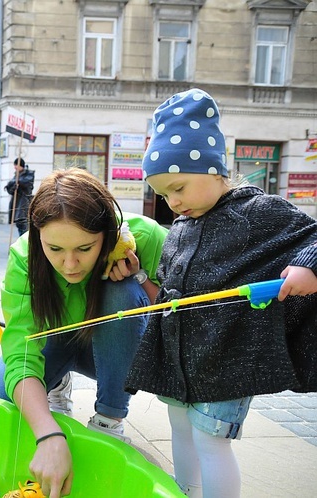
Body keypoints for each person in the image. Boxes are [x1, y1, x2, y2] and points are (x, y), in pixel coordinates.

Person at [125, 88, 317, 498]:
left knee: (212, 440)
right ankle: (185, 491)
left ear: (213, 170)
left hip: (226, 359)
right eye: (163, 195)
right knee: (179, 427)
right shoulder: (180, 228)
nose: (173, 202)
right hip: (179, 362)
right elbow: (168, 295)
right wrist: (141, 277)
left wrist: (308, 265)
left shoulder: (258, 212)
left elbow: (314, 237)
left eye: (179, 187)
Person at [0, 167, 168, 497]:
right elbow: (20, 353)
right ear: (37, 236)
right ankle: (56, 383)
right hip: (59, 339)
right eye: (55, 249)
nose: (69, 265)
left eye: (84, 248)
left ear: (107, 234)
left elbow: (179, 314)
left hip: (121, 351)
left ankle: (109, 418)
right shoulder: (23, 258)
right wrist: (48, 434)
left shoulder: (148, 237)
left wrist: (139, 277)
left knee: (119, 289)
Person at [5, 157, 34, 235]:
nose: (15, 167)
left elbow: (27, 184)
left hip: (23, 203)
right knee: (19, 224)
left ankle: (25, 244)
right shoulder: (16, 175)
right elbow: (10, 189)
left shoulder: (28, 174)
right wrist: (13, 187)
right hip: (16, 203)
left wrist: (17, 182)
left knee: (23, 225)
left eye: (16, 165)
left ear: (20, 165)